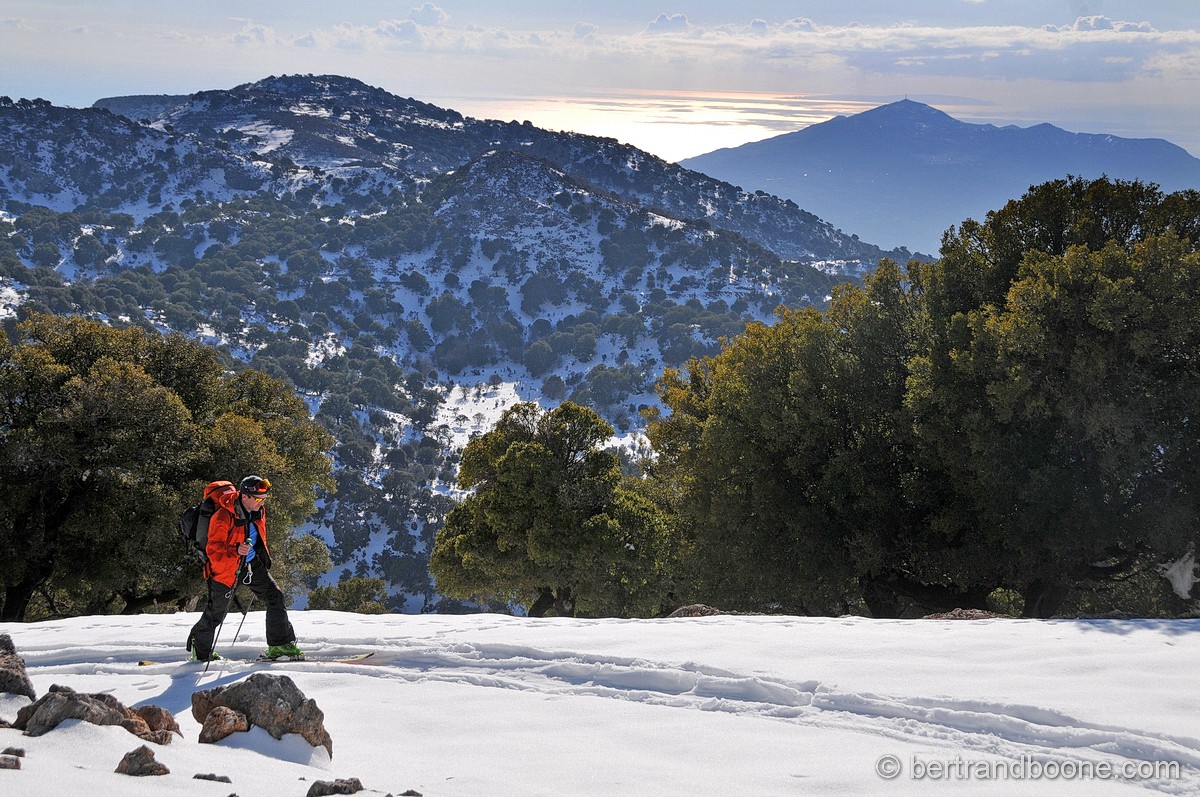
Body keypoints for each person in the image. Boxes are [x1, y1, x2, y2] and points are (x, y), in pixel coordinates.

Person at [186, 475, 303, 661]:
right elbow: (214, 550)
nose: (261, 503)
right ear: (245, 496)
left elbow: (257, 536)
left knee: (275, 596)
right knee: (217, 613)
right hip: (226, 570)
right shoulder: (223, 516)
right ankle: (200, 652)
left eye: (263, 499)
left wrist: (261, 557)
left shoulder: (258, 511)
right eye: (258, 499)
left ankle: (280, 646)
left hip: (250, 565)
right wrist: (236, 550)